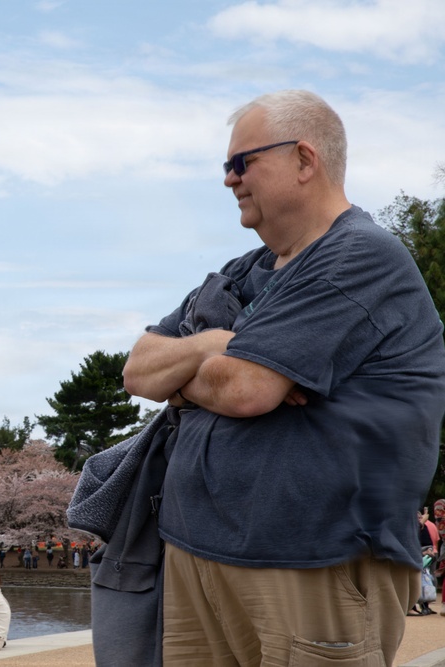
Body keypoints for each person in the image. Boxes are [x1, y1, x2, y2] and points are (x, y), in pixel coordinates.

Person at [122, 90, 445, 665]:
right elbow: (138, 370)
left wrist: (197, 374)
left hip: (314, 561)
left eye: (240, 162)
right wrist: (216, 345)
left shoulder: (359, 257)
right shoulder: (240, 272)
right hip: (199, 556)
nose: (228, 180)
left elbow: (245, 390)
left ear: (304, 158)